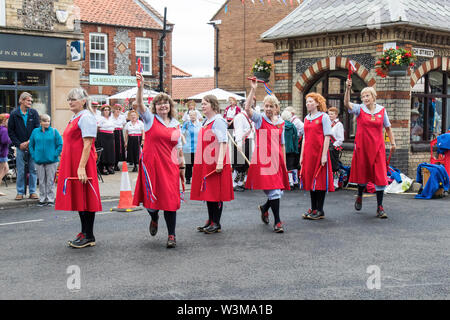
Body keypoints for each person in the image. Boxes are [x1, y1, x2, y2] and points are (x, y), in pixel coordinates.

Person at [133, 72, 185, 249]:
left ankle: (172, 235)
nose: (163, 106)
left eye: (166, 103)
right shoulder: (149, 119)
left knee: (170, 201)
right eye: (159, 103)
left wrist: (182, 168)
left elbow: (179, 149)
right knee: (152, 203)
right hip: (152, 166)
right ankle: (154, 217)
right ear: (155, 106)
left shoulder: (176, 124)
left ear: (170, 106)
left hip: (170, 166)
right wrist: (140, 87)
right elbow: (139, 104)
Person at [55, 88, 102, 248]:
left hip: (82, 163)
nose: (70, 102)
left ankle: (89, 235)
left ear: (83, 101)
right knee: (80, 198)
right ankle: (84, 232)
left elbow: (88, 143)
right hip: (74, 162)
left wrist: (81, 167)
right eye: (68, 99)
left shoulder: (87, 117)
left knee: (86, 197)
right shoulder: (76, 116)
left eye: (73, 99)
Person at [344, 79, 396, 219]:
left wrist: (393, 143)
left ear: (373, 97)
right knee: (362, 176)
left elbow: (388, 128)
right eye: (363, 96)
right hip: (362, 147)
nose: (365, 98)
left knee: (380, 176)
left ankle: (380, 207)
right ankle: (360, 195)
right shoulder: (359, 109)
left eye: (367, 96)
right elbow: (346, 103)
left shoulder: (382, 110)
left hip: (378, 148)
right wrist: (348, 89)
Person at [244, 79, 290, 233]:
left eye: (271, 106)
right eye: (266, 106)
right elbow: (247, 108)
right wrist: (253, 90)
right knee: (274, 191)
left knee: (278, 192)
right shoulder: (259, 119)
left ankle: (265, 208)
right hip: (264, 159)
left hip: (277, 160)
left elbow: (282, 144)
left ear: (277, 108)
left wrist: (283, 162)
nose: (268, 108)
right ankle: (277, 222)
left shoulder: (281, 123)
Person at [190, 94, 234, 234]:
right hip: (206, 161)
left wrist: (220, 162)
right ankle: (210, 220)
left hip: (216, 162)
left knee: (216, 193)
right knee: (209, 192)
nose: (202, 106)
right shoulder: (206, 121)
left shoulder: (218, 121)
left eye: (205, 104)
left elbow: (223, 142)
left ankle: (216, 222)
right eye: (201, 104)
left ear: (213, 105)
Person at [300, 93, 335, 221]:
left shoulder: (324, 117)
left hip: (319, 153)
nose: (308, 104)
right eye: (307, 102)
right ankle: (314, 208)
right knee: (310, 181)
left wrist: (324, 155)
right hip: (309, 154)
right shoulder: (306, 118)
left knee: (319, 182)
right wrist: (302, 155)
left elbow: (327, 136)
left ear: (317, 103)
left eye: (310, 101)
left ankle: (320, 210)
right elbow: (305, 137)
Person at [8, 92, 40, 200]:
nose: (30, 102)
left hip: (32, 145)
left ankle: (33, 191)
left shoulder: (34, 113)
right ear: (21, 101)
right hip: (20, 146)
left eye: (31, 101)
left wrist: (29, 142)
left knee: (33, 169)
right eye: (28, 100)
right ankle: (20, 192)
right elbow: (11, 132)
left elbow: (37, 129)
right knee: (21, 170)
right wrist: (19, 144)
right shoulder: (14, 114)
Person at [29, 114, 63, 206]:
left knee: (50, 180)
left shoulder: (54, 131)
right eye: (45, 121)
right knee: (41, 181)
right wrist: (34, 155)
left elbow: (60, 144)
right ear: (40, 122)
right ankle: (42, 199)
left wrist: (54, 155)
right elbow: (31, 145)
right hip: (38, 160)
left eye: (48, 121)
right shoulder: (35, 131)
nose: (47, 123)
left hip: (52, 161)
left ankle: (50, 199)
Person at [232, 101, 255, 192]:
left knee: (245, 165)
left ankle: (240, 183)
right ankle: (234, 183)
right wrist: (239, 144)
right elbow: (238, 131)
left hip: (248, 141)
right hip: (241, 141)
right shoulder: (239, 117)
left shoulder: (251, 116)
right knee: (238, 164)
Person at [281, 110, 300, 190]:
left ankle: (289, 182)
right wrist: (296, 149)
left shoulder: (280, 126)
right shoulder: (293, 126)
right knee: (292, 165)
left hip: (283, 149)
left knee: (286, 166)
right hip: (292, 149)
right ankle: (295, 182)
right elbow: (296, 138)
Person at [181, 110, 201, 185]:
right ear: (189, 116)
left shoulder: (199, 124)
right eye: (191, 115)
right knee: (189, 164)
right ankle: (188, 178)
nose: (192, 116)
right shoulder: (186, 124)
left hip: (197, 148)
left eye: (194, 115)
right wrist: (183, 140)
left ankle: (196, 178)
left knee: (196, 164)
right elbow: (181, 133)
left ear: (196, 116)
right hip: (188, 147)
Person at [327, 107, 344, 189]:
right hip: (327, 146)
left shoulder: (338, 125)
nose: (330, 115)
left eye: (332, 114)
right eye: (329, 114)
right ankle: (329, 182)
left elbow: (341, 138)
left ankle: (335, 183)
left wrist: (334, 145)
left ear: (336, 115)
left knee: (334, 166)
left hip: (334, 147)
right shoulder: (328, 123)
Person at [97, 105, 116, 175]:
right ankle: (103, 167)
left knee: (110, 151)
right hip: (103, 136)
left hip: (110, 135)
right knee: (104, 151)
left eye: (108, 110)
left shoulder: (111, 119)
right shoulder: (101, 119)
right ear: (102, 111)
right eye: (105, 110)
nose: (106, 111)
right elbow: (98, 127)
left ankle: (110, 166)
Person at [112, 104, 126, 171]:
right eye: (116, 109)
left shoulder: (122, 117)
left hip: (119, 132)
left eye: (119, 109)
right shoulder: (110, 116)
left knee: (119, 148)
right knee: (113, 147)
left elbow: (123, 125)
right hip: (113, 132)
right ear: (113, 109)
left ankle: (116, 164)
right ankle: (112, 164)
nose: (117, 110)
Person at [0, 114, 11, 196]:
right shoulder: (4, 130)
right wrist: (10, 139)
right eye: (8, 120)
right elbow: (5, 141)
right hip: (2, 153)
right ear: (4, 121)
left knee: (6, 169)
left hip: (2, 153)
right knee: (1, 172)